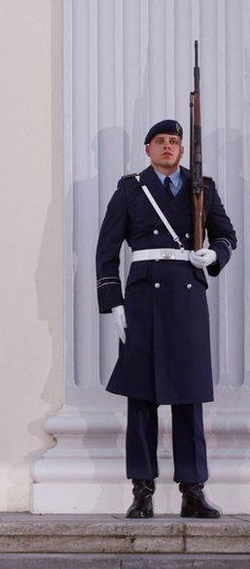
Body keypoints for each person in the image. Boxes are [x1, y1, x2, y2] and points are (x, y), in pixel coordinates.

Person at [96, 119, 237, 519]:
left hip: (187, 300)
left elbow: (227, 235)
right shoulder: (130, 189)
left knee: (188, 398)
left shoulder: (202, 188)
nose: (169, 147)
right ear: (148, 149)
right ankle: (142, 491)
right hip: (142, 300)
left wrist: (214, 255)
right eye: (161, 141)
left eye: (175, 142)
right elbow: (106, 249)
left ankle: (193, 490)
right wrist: (114, 301)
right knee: (141, 398)